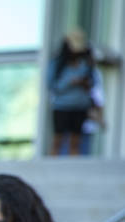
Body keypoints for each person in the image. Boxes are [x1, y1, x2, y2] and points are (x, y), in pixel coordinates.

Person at [49, 28, 98, 156]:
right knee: (57, 140)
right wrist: (70, 82)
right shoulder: (57, 64)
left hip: (80, 106)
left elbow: (94, 84)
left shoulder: (86, 64)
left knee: (76, 142)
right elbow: (52, 86)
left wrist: (84, 83)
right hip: (62, 106)